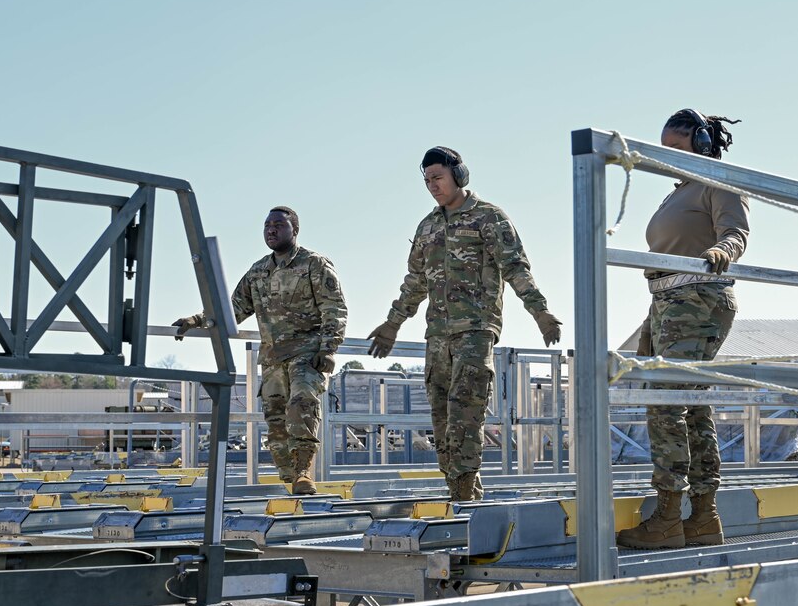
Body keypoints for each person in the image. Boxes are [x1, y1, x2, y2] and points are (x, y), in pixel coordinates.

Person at [367, 146, 562, 501]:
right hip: (437, 336)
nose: (432, 186)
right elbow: (415, 282)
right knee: (441, 417)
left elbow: (515, 267)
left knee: (465, 412)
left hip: (475, 330)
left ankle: (465, 491)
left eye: (438, 178)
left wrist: (540, 312)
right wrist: (392, 324)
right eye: (427, 180)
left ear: (459, 176)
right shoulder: (427, 226)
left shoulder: (489, 217)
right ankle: (457, 489)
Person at [617, 109, 748, 550]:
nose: (666, 156)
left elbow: (736, 232)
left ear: (704, 143)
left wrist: (721, 251)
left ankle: (670, 516)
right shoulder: (679, 192)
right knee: (687, 404)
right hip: (667, 301)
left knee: (669, 403)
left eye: (674, 147)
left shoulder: (717, 181)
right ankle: (702, 517)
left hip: (697, 298)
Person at [173, 206, 346, 495]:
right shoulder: (258, 271)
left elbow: (335, 308)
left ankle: (304, 473)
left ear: (295, 230)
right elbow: (234, 309)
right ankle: (290, 478)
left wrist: (328, 348)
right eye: (267, 225)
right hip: (272, 359)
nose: (271, 229)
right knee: (276, 421)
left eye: (279, 224)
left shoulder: (314, 264)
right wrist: (196, 320)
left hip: (306, 355)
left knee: (301, 410)